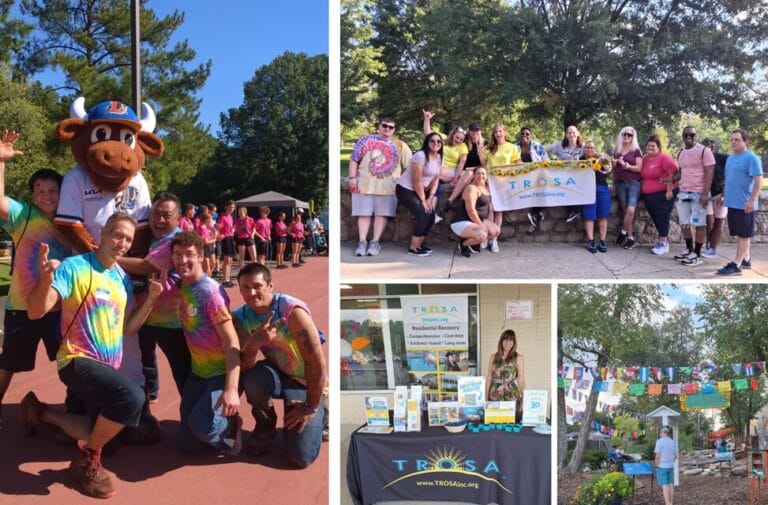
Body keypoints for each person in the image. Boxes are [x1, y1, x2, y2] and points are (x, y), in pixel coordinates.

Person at [21, 213, 164, 499]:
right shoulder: (75, 267)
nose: (122, 242)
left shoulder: (121, 277)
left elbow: (128, 329)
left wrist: (150, 299)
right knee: (133, 398)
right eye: (117, 234)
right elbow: (35, 311)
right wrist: (45, 278)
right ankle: (87, 460)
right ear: (102, 234)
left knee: (104, 432)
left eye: (128, 239)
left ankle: (41, 413)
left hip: (106, 367)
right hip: (76, 360)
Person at [0, 131, 69, 430]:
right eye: (40, 190)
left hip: (59, 308)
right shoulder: (23, 215)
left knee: (70, 362)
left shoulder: (72, 222)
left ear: (62, 193)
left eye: (52, 190)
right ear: (32, 195)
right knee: (8, 364)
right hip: (21, 307)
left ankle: (76, 407)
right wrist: (1, 161)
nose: (46, 196)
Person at [233, 262, 327, 467]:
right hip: (278, 372)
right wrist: (254, 344)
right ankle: (265, 424)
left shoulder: (291, 311)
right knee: (253, 379)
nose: (252, 293)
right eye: (245, 287)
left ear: (270, 287)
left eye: (257, 286)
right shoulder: (240, 317)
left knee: (301, 458)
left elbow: (317, 364)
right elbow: (243, 366)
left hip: (305, 381)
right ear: (239, 289)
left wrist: (311, 406)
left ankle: (322, 410)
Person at [170, 231, 243, 456]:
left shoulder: (210, 293)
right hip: (197, 373)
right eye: (177, 255)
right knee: (188, 445)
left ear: (201, 256)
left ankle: (231, 428)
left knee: (203, 427)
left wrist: (231, 389)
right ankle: (212, 424)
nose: (183, 260)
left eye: (189, 254)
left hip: (220, 374)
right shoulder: (180, 286)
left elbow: (232, 342)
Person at [117, 192, 190, 403]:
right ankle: (149, 398)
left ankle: (193, 412)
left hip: (172, 321)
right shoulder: (145, 237)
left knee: (181, 367)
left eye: (166, 215)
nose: (159, 220)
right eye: (155, 214)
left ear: (178, 218)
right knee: (145, 361)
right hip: (144, 315)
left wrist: (109, 256)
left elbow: (146, 266)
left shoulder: (175, 240)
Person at [348, 117, 410, 257]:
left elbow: (410, 165)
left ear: (394, 130)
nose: (387, 129)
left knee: (381, 214)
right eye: (385, 126)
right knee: (363, 214)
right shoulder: (365, 140)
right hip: (364, 185)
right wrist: (352, 178)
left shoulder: (400, 145)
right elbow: (354, 159)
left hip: (388, 188)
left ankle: (375, 242)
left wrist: (400, 179)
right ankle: (362, 242)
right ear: (379, 126)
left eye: (391, 127)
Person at [717, 129, 763, 275]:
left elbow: (758, 180)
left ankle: (737, 265)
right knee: (740, 234)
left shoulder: (751, 158)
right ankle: (746, 259)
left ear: (745, 141)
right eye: (731, 139)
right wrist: (724, 195)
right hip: (733, 203)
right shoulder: (731, 158)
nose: (733, 142)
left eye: (736, 139)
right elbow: (730, 179)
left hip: (746, 204)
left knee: (744, 236)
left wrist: (751, 200)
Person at [669, 126, 715, 266]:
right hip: (684, 193)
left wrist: (705, 194)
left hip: (699, 193)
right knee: (684, 224)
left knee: (699, 224)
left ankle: (697, 254)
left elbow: (710, 173)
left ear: (695, 136)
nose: (689, 137)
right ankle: (689, 250)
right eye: (686, 135)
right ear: (682, 135)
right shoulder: (681, 152)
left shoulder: (704, 151)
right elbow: (681, 172)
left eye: (692, 135)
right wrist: (671, 180)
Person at [396, 132, 442, 257]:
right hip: (405, 189)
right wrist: (423, 201)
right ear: (427, 142)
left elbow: (436, 179)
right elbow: (416, 181)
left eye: (438, 141)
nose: (436, 143)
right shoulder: (420, 156)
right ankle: (412, 248)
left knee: (431, 216)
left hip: (420, 191)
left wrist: (430, 198)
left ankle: (419, 245)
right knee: (423, 214)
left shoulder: (438, 157)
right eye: (432, 141)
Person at [480, 123, 520, 252]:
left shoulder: (512, 147)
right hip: (491, 183)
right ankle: (486, 236)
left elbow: (517, 163)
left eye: (500, 131)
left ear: (505, 132)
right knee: (490, 210)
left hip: (505, 183)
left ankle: (494, 240)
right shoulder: (489, 148)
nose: (498, 134)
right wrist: (480, 153)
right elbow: (484, 166)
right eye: (496, 132)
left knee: (499, 211)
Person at [422, 110, 470, 212]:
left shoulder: (463, 146)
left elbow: (462, 162)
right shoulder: (443, 139)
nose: (458, 140)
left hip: (451, 171)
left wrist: (456, 177)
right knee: (436, 181)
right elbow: (428, 133)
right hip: (438, 169)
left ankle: (449, 201)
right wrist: (427, 119)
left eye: (461, 139)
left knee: (468, 173)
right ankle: (431, 210)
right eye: (457, 137)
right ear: (453, 134)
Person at [450, 167, 500, 258]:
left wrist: (485, 223)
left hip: (474, 221)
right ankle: (463, 244)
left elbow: (488, 210)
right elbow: (471, 210)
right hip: (462, 221)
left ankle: (472, 243)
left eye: (483, 174)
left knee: (495, 231)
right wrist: (481, 224)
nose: (481, 176)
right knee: (482, 235)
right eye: (478, 173)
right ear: (473, 176)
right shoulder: (471, 188)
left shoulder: (485, 189)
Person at [641, 135, 678, 255]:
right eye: (648, 145)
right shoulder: (645, 158)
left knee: (662, 216)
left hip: (664, 193)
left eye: (653, 146)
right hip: (650, 196)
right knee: (656, 217)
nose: (650, 147)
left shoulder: (663, 158)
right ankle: (663, 240)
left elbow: (674, 173)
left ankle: (663, 243)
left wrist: (669, 190)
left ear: (658, 147)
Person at [612, 126, 644, 249]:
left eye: (629, 135)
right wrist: (614, 182)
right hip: (620, 183)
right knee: (626, 211)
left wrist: (626, 165)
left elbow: (639, 168)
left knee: (631, 210)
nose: (626, 136)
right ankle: (630, 238)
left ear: (633, 137)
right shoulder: (617, 150)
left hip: (634, 183)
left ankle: (623, 233)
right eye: (624, 134)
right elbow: (614, 169)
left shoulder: (636, 150)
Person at [545, 125, 584, 223]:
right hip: (564, 177)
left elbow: (592, 152)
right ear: (566, 135)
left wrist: (601, 155)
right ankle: (572, 212)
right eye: (569, 133)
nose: (571, 135)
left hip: (579, 177)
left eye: (573, 132)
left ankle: (577, 211)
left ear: (578, 134)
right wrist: (546, 160)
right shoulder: (559, 145)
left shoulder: (583, 146)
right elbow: (544, 149)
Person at [485, 329, 526, 421]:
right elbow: (488, 378)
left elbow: (521, 380)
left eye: (511, 340)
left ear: (514, 342)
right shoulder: (493, 357)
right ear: (501, 341)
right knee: (494, 420)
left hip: (511, 393)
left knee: (511, 421)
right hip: (495, 393)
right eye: (505, 339)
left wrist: (524, 399)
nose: (508, 342)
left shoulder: (518, 358)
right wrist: (485, 397)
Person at [515, 126, 550, 228]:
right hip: (520, 176)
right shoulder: (514, 147)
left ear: (531, 136)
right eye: (522, 133)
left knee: (543, 187)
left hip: (536, 175)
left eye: (527, 134)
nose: (524, 136)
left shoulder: (538, 146)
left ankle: (536, 213)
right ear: (519, 135)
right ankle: (536, 214)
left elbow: (546, 160)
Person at [581, 141, 611, 253]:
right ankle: (591, 240)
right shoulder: (580, 159)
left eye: (592, 148)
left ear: (595, 149)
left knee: (603, 215)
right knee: (589, 215)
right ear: (584, 149)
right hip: (587, 189)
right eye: (587, 147)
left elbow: (608, 173)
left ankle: (602, 241)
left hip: (602, 188)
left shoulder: (601, 159)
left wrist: (604, 160)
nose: (589, 150)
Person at [701, 137, 729, 258]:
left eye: (712, 142)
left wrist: (725, 193)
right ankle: (708, 243)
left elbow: (730, 175)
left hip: (720, 194)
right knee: (708, 220)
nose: (710, 144)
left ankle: (713, 249)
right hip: (706, 194)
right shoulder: (700, 159)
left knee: (719, 220)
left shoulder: (723, 158)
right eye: (707, 143)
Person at [654, 426, 678, 505]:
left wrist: (656, 466)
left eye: (660, 433)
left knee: (664, 486)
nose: (660, 434)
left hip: (662, 466)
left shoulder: (659, 441)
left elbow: (657, 456)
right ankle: (671, 503)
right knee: (671, 484)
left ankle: (667, 503)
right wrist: (670, 461)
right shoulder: (673, 442)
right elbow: (675, 456)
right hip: (670, 466)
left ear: (663, 433)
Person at [217, 200, 236, 287]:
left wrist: (233, 230)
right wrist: (220, 235)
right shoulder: (223, 217)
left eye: (233, 207)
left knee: (231, 260)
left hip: (231, 238)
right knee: (227, 260)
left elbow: (231, 227)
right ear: (226, 207)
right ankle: (224, 280)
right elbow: (217, 227)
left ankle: (227, 279)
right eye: (230, 207)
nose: (232, 209)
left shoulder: (231, 217)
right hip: (226, 239)